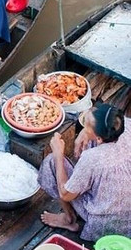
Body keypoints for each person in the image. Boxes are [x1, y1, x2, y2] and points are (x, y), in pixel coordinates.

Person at [39, 103, 131, 240]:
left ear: (99, 138)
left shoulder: (92, 159)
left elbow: (65, 194)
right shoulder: (126, 125)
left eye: (87, 127)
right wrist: (85, 133)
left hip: (102, 222)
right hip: (127, 218)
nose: (84, 128)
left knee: (51, 161)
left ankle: (68, 218)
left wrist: (58, 154)